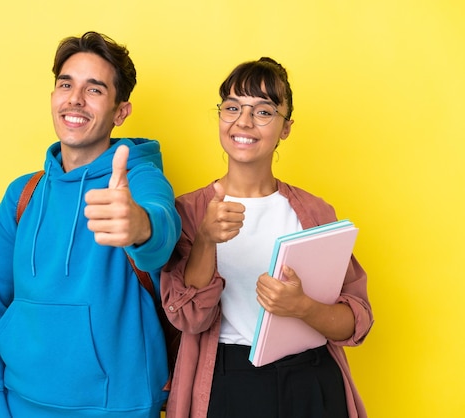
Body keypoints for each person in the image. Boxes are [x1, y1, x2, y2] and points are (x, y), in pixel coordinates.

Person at [0, 31, 181, 418]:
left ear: (120, 112)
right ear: (53, 96)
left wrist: (140, 226)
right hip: (18, 403)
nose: (75, 100)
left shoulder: (138, 179)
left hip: (119, 407)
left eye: (94, 90)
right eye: (66, 84)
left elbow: (161, 228)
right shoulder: (23, 194)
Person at [160, 58, 373, 418]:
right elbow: (188, 318)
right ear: (220, 116)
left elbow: (356, 321)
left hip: (313, 380)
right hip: (229, 381)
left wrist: (303, 307)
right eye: (232, 108)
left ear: (286, 127)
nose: (244, 121)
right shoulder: (189, 212)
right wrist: (207, 240)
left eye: (263, 111)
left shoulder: (316, 213)